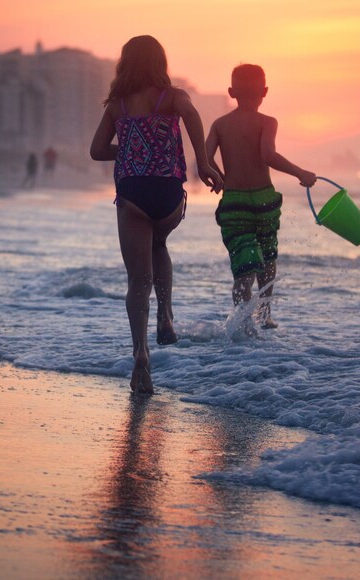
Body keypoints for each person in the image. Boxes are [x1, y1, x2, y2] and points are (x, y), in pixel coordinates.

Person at [90, 35, 223, 395]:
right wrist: (204, 162)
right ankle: (165, 314)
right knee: (159, 244)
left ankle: (140, 354)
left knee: (137, 280)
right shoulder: (173, 98)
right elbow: (193, 116)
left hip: (133, 192)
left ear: (125, 63)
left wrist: (131, 147)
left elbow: (97, 150)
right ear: (160, 62)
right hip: (166, 193)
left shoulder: (117, 105)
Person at [206, 64, 316, 330]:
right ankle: (265, 315)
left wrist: (217, 177)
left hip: (235, 204)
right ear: (264, 91)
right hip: (264, 201)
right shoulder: (267, 122)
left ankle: (242, 324)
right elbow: (268, 155)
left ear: (231, 92)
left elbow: (204, 158)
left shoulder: (220, 125)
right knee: (268, 258)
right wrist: (300, 172)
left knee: (244, 266)